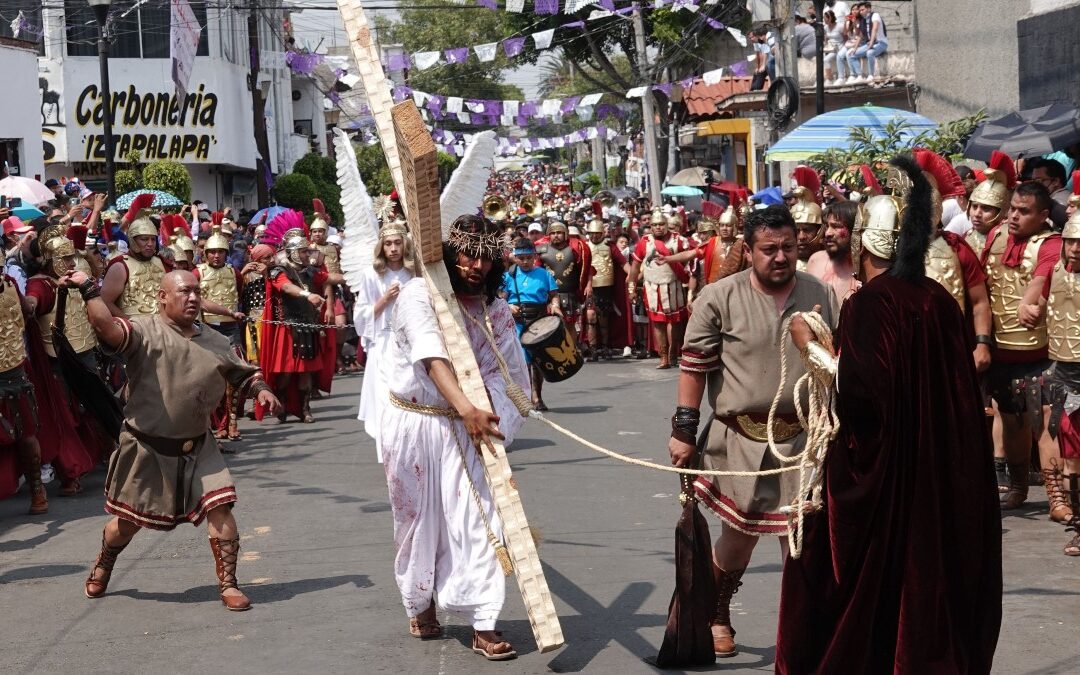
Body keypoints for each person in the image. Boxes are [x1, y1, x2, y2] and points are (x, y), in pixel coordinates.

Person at [775, 154, 1002, 675]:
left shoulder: (871, 304)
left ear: (862, 242)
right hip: (940, 470)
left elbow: (863, 401)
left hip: (891, 475)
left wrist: (812, 346)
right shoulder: (938, 301)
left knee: (828, 573)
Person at [668, 205, 839, 658]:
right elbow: (694, 367)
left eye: (788, 247)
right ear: (748, 250)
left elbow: (838, 365)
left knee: (799, 539)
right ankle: (717, 614)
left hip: (804, 439)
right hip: (739, 438)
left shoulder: (819, 292)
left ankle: (801, 632)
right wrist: (684, 430)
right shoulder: (718, 297)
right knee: (739, 538)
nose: (780, 257)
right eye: (768, 249)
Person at [66, 268, 282, 610]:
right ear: (162, 297)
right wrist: (90, 290)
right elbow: (106, 328)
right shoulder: (142, 330)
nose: (193, 297)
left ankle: (228, 585)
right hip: (147, 448)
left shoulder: (216, 340)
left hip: (199, 446)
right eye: (184, 291)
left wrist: (262, 389)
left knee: (221, 507)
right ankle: (104, 562)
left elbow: (244, 373)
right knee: (126, 525)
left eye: (197, 291)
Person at [380, 214, 530, 661]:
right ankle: (420, 600)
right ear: (449, 254)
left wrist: (486, 415)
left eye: (485, 258)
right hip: (416, 422)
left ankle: (484, 620)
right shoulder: (416, 295)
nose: (476, 266)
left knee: (482, 520)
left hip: (473, 426)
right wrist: (463, 407)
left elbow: (508, 374)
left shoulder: (496, 309)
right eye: (467, 255)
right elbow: (430, 357)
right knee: (418, 520)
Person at [985, 181, 1063, 516]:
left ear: (1043, 215)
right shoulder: (996, 237)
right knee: (1012, 420)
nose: (1014, 216)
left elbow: (1041, 279)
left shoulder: (1053, 243)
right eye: (1012, 209)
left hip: (1042, 353)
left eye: (1024, 211)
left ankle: (1057, 496)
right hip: (1002, 350)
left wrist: (1028, 305)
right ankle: (1017, 488)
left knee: (1047, 422)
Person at [354, 218, 414, 460]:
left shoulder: (414, 272)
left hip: (410, 343)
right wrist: (385, 299)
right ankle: (388, 449)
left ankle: (411, 445)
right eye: (388, 243)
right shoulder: (371, 275)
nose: (393, 248)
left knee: (410, 393)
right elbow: (361, 315)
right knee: (385, 396)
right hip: (383, 343)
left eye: (397, 243)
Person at [0, 272, 49, 513]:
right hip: (14, 366)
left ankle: (37, 489)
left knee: (27, 435)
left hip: (13, 368)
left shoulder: (9, 283)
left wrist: (35, 298)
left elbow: (26, 312)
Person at [1046, 209, 1080, 551]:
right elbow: (1035, 304)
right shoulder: (1055, 273)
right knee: (1071, 454)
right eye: (1071, 240)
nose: (1076, 247)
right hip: (1066, 374)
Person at [502, 237, 561, 410]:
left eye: (529, 257)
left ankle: (538, 397)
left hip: (539, 322)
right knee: (523, 362)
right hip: (518, 323)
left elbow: (554, 295)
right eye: (522, 258)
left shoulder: (544, 274)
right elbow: (499, 299)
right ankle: (526, 396)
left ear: (534, 256)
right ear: (515, 258)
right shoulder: (509, 276)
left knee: (537, 362)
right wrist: (508, 306)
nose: (526, 261)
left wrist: (556, 305)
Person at [629, 209, 692, 369]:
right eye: (655, 225)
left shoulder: (678, 240)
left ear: (667, 225)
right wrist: (632, 286)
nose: (658, 227)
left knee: (674, 321)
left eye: (661, 224)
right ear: (650, 226)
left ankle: (672, 353)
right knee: (658, 322)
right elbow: (635, 267)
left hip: (673, 286)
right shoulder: (644, 241)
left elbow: (688, 263)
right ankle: (663, 356)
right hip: (652, 287)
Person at [100, 193, 165, 319]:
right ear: (133, 240)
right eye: (144, 239)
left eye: (153, 239)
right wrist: (130, 323)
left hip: (162, 327)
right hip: (135, 329)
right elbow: (106, 302)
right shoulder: (120, 266)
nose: (150, 244)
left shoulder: (160, 261)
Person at [583, 213, 631, 361]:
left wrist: (631, 276)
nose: (595, 236)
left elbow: (623, 263)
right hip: (590, 287)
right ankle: (593, 349)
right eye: (592, 233)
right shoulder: (584, 246)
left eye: (597, 233)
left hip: (605, 287)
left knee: (603, 319)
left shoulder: (610, 246)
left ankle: (604, 346)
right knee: (590, 317)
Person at [535, 220, 592, 335]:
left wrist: (588, 285)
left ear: (566, 234)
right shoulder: (540, 250)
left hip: (569, 294)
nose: (556, 235)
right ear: (549, 235)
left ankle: (572, 352)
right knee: (549, 329)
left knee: (570, 327)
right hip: (548, 295)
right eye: (553, 232)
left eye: (559, 232)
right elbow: (535, 272)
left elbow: (587, 269)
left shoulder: (577, 249)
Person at [805, 200, 859, 303]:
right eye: (827, 226)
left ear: (855, 229)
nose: (828, 233)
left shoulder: (868, 267)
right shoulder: (815, 260)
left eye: (836, 226)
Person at [966, 151, 1016, 255]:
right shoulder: (966, 237)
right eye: (974, 206)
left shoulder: (1013, 243)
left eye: (986, 208)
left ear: (1003, 211)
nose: (977, 214)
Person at [847, 1, 888, 82]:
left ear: (869, 9)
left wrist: (871, 43)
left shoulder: (875, 15)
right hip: (869, 43)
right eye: (860, 10)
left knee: (870, 52)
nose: (861, 12)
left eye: (863, 10)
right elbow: (860, 36)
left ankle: (871, 75)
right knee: (851, 55)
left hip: (881, 43)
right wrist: (855, 48)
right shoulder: (863, 20)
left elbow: (874, 29)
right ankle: (859, 76)